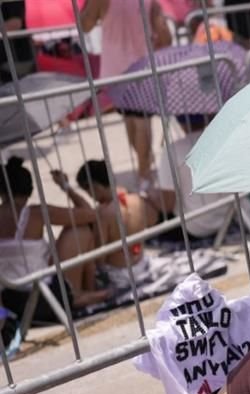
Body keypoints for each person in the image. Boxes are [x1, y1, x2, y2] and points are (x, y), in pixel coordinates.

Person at [0, 157, 111, 320]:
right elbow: (91, 215)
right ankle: (84, 291)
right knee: (80, 228)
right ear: (30, 190)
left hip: (9, 302)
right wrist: (65, 187)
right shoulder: (36, 213)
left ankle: (82, 293)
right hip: (44, 298)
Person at [79, 0, 172, 193]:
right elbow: (165, 36)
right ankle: (144, 170)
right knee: (140, 123)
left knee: (133, 123)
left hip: (115, 72)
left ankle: (144, 169)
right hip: (142, 67)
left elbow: (85, 26)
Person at [148, 114, 236, 243]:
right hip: (227, 218)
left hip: (193, 227)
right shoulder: (224, 141)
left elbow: (167, 204)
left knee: (145, 207)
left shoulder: (173, 150)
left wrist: (151, 197)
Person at [70, 160, 153, 290]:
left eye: (89, 192)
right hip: (142, 264)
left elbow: (100, 258)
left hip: (120, 275)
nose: (91, 197)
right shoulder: (136, 198)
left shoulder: (104, 214)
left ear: (95, 187)